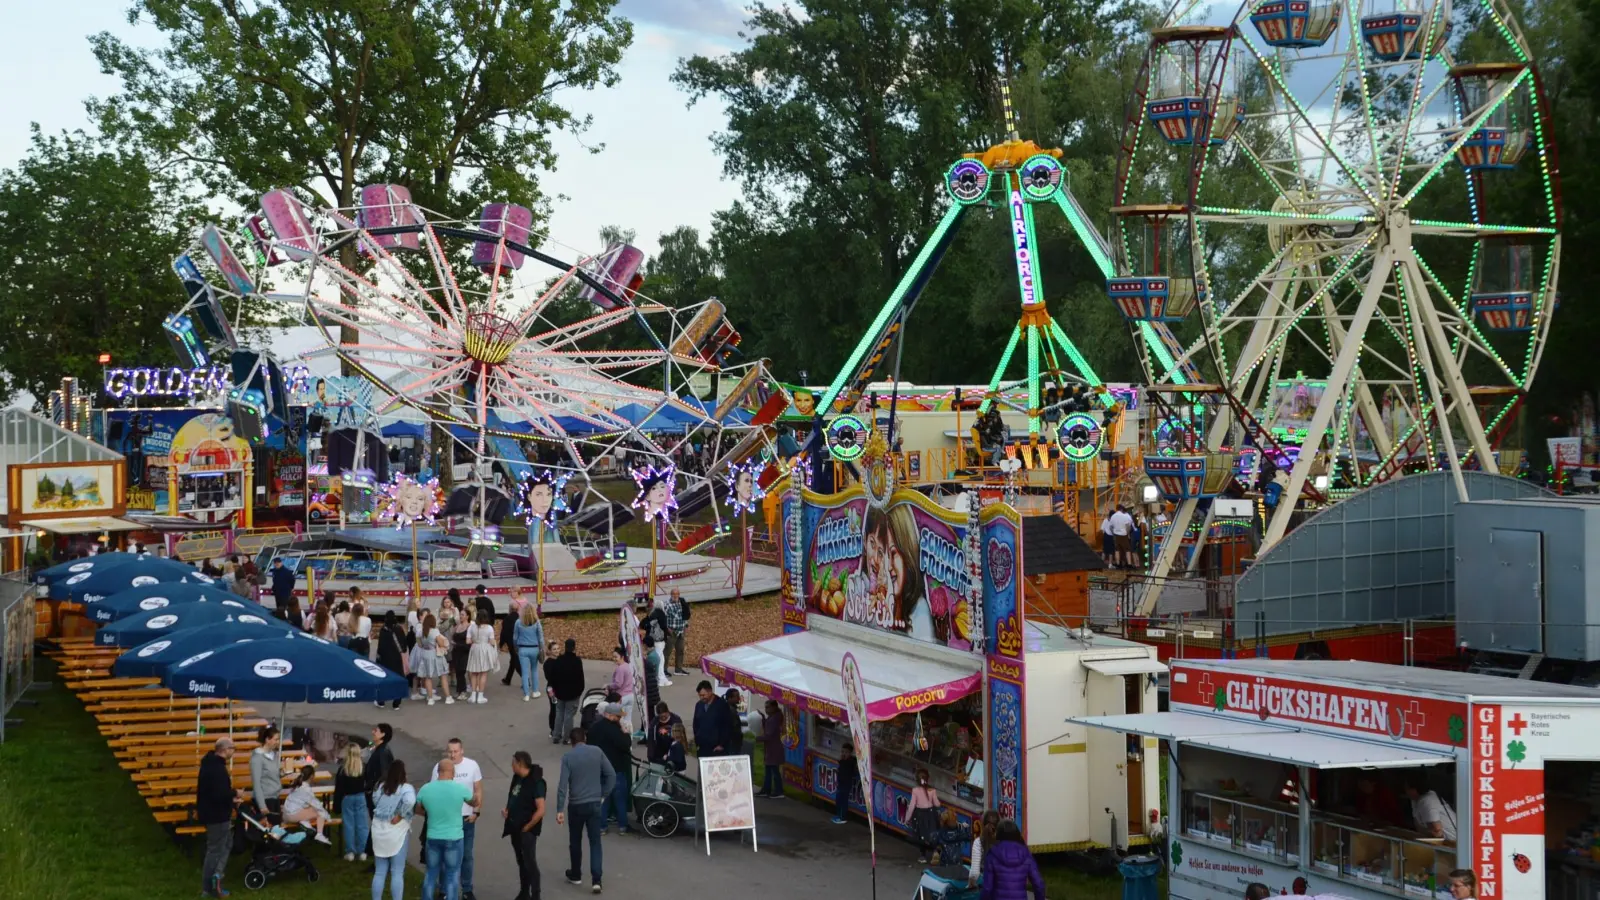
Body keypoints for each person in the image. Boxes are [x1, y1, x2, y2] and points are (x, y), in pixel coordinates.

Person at [556, 726, 616, 894]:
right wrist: (603, 794)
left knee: (575, 841)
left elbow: (562, 786)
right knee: (595, 841)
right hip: (595, 803)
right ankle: (597, 879)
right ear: (585, 738)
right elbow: (611, 775)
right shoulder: (597, 752)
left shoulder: (568, 757)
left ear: (571, 741)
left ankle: (576, 874)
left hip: (576, 805)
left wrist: (559, 809)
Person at [429, 739, 485, 900]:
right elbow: (434, 790)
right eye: (450, 751)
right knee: (444, 857)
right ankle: (444, 890)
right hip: (446, 819)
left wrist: (476, 811)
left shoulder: (472, 766)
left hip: (466, 818)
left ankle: (466, 889)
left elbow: (478, 790)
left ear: (462, 751)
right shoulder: (439, 768)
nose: (452, 755)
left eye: (455, 751)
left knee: (466, 855)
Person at [416, 758, 478, 900]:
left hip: (432, 837)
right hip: (454, 838)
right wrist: (477, 799)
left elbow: (418, 809)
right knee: (452, 875)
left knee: (431, 874)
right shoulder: (459, 788)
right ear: (453, 772)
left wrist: (430, 811)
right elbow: (473, 801)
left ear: (438, 772)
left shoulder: (426, 788)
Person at [196, 737, 242, 898]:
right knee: (215, 850)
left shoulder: (209, 764)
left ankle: (217, 875)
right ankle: (208, 887)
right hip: (217, 815)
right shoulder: (217, 769)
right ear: (225, 749)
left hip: (213, 812)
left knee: (227, 843)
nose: (233, 751)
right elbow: (219, 793)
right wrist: (235, 793)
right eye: (232, 748)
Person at [503, 751, 547, 900]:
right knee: (521, 861)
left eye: (513, 763)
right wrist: (508, 810)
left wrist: (528, 827)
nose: (511, 765)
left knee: (530, 862)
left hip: (527, 829)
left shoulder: (536, 782)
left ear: (520, 764)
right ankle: (524, 892)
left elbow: (541, 810)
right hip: (515, 826)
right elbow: (514, 796)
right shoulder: (517, 778)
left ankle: (536, 895)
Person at [371, 759, 416, 900]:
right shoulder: (406, 788)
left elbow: (374, 800)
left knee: (379, 872)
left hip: (378, 830)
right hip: (397, 832)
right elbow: (410, 801)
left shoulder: (381, 787)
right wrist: (401, 814)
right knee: (397, 872)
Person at [587, 703, 633, 836]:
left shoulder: (594, 728)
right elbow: (625, 746)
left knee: (602, 799)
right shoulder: (615, 730)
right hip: (616, 769)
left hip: (599, 769)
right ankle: (623, 826)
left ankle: (602, 826)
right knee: (620, 799)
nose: (619, 719)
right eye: (618, 716)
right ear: (611, 715)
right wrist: (625, 734)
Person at [979, 819, 1044, 900]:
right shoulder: (1026, 854)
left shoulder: (992, 855)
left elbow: (987, 888)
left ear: (998, 834)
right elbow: (1039, 884)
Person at [333, 743, 371, 861]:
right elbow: (368, 784)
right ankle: (363, 851)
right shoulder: (363, 767)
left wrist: (336, 805)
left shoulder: (343, 769)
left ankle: (350, 852)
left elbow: (338, 789)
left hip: (347, 798)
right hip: (360, 797)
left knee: (349, 825)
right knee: (362, 825)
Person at [281, 764, 333, 844]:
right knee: (319, 812)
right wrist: (328, 816)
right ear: (312, 776)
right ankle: (319, 834)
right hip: (293, 815)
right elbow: (317, 805)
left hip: (285, 815)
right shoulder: (306, 789)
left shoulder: (297, 785)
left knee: (309, 809)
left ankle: (305, 823)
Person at [548, 639, 586, 744]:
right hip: (573, 694)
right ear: (574, 648)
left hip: (560, 693)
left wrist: (555, 689)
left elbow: (553, 676)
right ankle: (567, 737)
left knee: (559, 713)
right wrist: (579, 691)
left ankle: (556, 735)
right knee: (569, 716)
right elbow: (580, 678)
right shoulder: (577, 661)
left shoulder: (559, 660)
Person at [1404, 774, 1457, 842]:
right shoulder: (1415, 800)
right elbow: (1418, 826)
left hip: (1452, 842)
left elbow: (1437, 833)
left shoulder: (1428, 801)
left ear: (1414, 789)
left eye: (1407, 788)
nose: (1405, 791)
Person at [692, 680, 738, 758]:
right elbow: (695, 724)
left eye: (703, 695)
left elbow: (727, 726)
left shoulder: (722, 705)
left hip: (716, 749)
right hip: (702, 748)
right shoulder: (699, 705)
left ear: (710, 692)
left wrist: (721, 744)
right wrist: (697, 741)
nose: (702, 698)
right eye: (700, 695)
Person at [374, 613, 409, 709]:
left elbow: (380, 646)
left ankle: (381, 701)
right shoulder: (399, 628)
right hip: (397, 658)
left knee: (384, 680)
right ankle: (396, 703)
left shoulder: (383, 630)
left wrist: (378, 657)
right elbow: (404, 643)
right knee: (397, 679)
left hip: (385, 659)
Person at [415, 612, 450, 705]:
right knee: (442, 675)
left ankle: (430, 698)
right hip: (435, 653)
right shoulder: (434, 631)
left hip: (425, 653)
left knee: (428, 677)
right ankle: (448, 697)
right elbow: (441, 644)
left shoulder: (421, 631)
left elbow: (420, 644)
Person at [910, 767, 944, 863]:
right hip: (931, 814)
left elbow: (912, 805)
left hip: (920, 815)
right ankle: (936, 850)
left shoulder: (915, 791)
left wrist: (907, 818)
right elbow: (937, 804)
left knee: (921, 836)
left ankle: (923, 856)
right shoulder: (932, 790)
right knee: (932, 834)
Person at [512, 602, 544, 701]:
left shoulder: (518, 622)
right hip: (534, 648)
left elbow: (515, 637)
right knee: (534, 670)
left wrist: (515, 647)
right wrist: (542, 648)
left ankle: (526, 694)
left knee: (525, 672)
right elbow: (541, 638)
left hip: (523, 649)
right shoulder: (537, 622)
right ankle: (535, 691)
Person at [465, 610, 498, 704]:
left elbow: (468, 641)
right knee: (483, 673)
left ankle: (473, 695)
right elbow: (492, 641)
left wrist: (475, 641)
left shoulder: (472, 627)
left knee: (474, 672)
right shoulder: (489, 628)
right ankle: (480, 696)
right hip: (484, 649)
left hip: (474, 648)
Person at [250, 725, 283, 815]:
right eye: (276, 739)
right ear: (267, 739)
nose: (277, 742)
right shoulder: (257, 758)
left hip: (275, 798)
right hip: (265, 800)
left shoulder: (274, 755)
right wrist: (262, 806)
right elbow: (256, 784)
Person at [758, 699, 785, 798]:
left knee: (774, 770)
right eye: (765, 707)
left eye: (768, 707)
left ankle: (778, 791)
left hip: (774, 748)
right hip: (771, 748)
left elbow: (769, 735)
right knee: (769, 770)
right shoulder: (773, 717)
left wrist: (757, 738)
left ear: (774, 707)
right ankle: (767, 789)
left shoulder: (775, 719)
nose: (766, 709)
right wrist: (763, 719)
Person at [606, 647, 635, 735]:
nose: (614, 659)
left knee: (620, 720)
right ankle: (629, 738)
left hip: (622, 697)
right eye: (613, 657)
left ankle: (621, 737)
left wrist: (608, 686)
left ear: (622, 657)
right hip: (630, 695)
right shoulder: (627, 666)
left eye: (616, 657)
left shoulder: (620, 669)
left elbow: (618, 684)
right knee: (628, 719)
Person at [661, 588, 691, 675]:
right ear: (671, 595)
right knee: (667, 651)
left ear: (679, 594)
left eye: (677, 594)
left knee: (680, 650)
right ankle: (663, 670)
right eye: (673, 594)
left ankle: (678, 669)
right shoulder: (667, 604)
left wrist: (686, 625)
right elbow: (663, 618)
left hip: (680, 631)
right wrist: (666, 628)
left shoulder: (681, 603)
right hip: (671, 631)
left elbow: (684, 615)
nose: (675, 596)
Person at [833, 742, 859, 824]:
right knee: (838, 800)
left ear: (850, 753)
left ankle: (842, 817)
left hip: (846, 784)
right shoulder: (843, 761)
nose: (844, 754)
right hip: (841, 784)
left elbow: (852, 772)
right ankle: (838, 815)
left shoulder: (850, 762)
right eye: (842, 752)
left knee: (843, 801)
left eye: (846, 752)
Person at [640, 636, 661, 734]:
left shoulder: (651, 657)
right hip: (652, 686)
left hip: (650, 687)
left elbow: (647, 670)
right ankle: (643, 729)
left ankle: (648, 731)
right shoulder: (653, 655)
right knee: (648, 711)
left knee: (649, 712)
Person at [270, 558, 299, 626]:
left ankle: (284, 622)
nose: (277, 564)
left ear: (281, 563)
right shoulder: (274, 571)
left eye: (278, 563)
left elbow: (292, 580)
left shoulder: (287, 572)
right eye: (275, 563)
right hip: (277, 592)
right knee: (278, 607)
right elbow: (275, 581)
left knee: (284, 607)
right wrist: (273, 588)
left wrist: (291, 588)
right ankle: (278, 621)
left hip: (285, 592)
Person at [543, 638, 562, 735]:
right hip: (552, 689)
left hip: (562, 688)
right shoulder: (548, 663)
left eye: (558, 648)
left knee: (561, 708)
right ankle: (553, 728)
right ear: (550, 651)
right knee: (554, 708)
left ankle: (560, 727)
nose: (557, 651)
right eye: (554, 649)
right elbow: (549, 678)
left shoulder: (562, 660)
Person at [1109, 504, 1135, 569]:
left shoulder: (1113, 516)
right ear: (1121, 509)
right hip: (1124, 534)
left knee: (1117, 550)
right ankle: (1129, 564)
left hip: (1116, 534)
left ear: (1117, 509)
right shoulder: (1124, 516)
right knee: (1127, 549)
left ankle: (1118, 564)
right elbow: (1128, 526)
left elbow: (1111, 527)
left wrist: (1113, 533)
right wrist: (1127, 533)